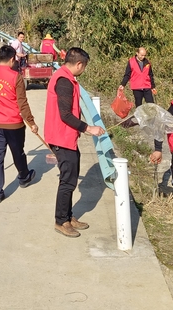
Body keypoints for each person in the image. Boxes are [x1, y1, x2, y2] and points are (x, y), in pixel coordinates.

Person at [44, 47, 106, 237]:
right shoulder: (64, 82)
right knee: (67, 182)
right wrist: (88, 128)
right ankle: (60, 221)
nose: (83, 70)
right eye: (84, 66)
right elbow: (65, 115)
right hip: (61, 137)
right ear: (79, 64)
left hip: (66, 137)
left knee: (70, 178)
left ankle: (68, 216)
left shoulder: (65, 77)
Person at [0, 44, 38, 203]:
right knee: (17, 151)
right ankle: (24, 177)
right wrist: (31, 122)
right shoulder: (15, 77)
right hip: (13, 124)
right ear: (12, 59)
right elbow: (22, 103)